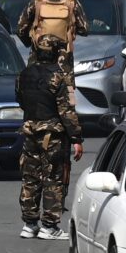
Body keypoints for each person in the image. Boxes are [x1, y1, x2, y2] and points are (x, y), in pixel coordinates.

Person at [16, 36, 83, 240]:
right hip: (52, 135)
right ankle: (49, 226)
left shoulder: (24, 75)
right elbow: (66, 112)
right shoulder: (58, 77)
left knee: (30, 178)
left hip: (29, 132)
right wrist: (76, 138)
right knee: (53, 178)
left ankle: (29, 224)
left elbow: (20, 101)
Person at [17, 0, 89, 90]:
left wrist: (32, 41)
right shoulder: (71, 2)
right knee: (65, 107)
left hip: (38, 68)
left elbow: (21, 29)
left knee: (37, 105)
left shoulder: (36, 2)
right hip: (63, 70)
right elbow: (84, 28)